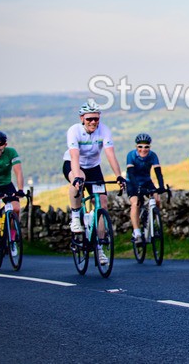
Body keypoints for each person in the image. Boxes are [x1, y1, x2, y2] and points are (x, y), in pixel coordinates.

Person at [62, 99, 125, 265]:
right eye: (89, 119)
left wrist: (119, 175)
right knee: (79, 180)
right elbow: (74, 156)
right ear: (82, 118)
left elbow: (110, 154)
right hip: (74, 164)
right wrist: (76, 177)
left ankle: (99, 248)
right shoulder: (74, 131)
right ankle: (76, 216)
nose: (93, 122)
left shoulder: (104, 130)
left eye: (96, 118)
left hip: (94, 167)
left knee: (102, 203)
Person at [125, 133, 164, 243]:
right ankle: (136, 232)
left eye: (146, 147)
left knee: (156, 199)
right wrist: (137, 188)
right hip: (132, 182)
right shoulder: (131, 155)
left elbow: (158, 173)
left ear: (149, 147)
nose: (143, 149)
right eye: (140, 147)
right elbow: (131, 174)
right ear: (136, 147)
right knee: (135, 203)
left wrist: (161, 186)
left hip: (147, 181)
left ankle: (153, 223)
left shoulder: (152, 155)